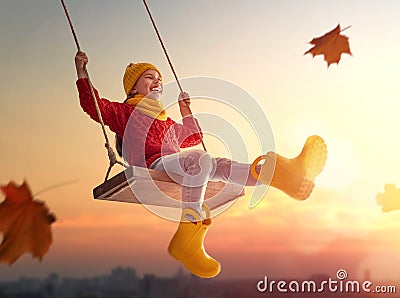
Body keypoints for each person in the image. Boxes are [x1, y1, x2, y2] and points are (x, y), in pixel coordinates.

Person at [74, 51, 327, 278]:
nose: (157, 81)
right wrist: (82, 73)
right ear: (133, 89)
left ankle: (276, 175)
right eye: (149, 77)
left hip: (177, 166)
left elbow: (194, 137)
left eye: (159, 78)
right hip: (153, 166)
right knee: (202, 159)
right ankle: (188, 234)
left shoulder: (166, 121)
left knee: (219, 165)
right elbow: (94, 106)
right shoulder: (125, 113)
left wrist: (185, 111)